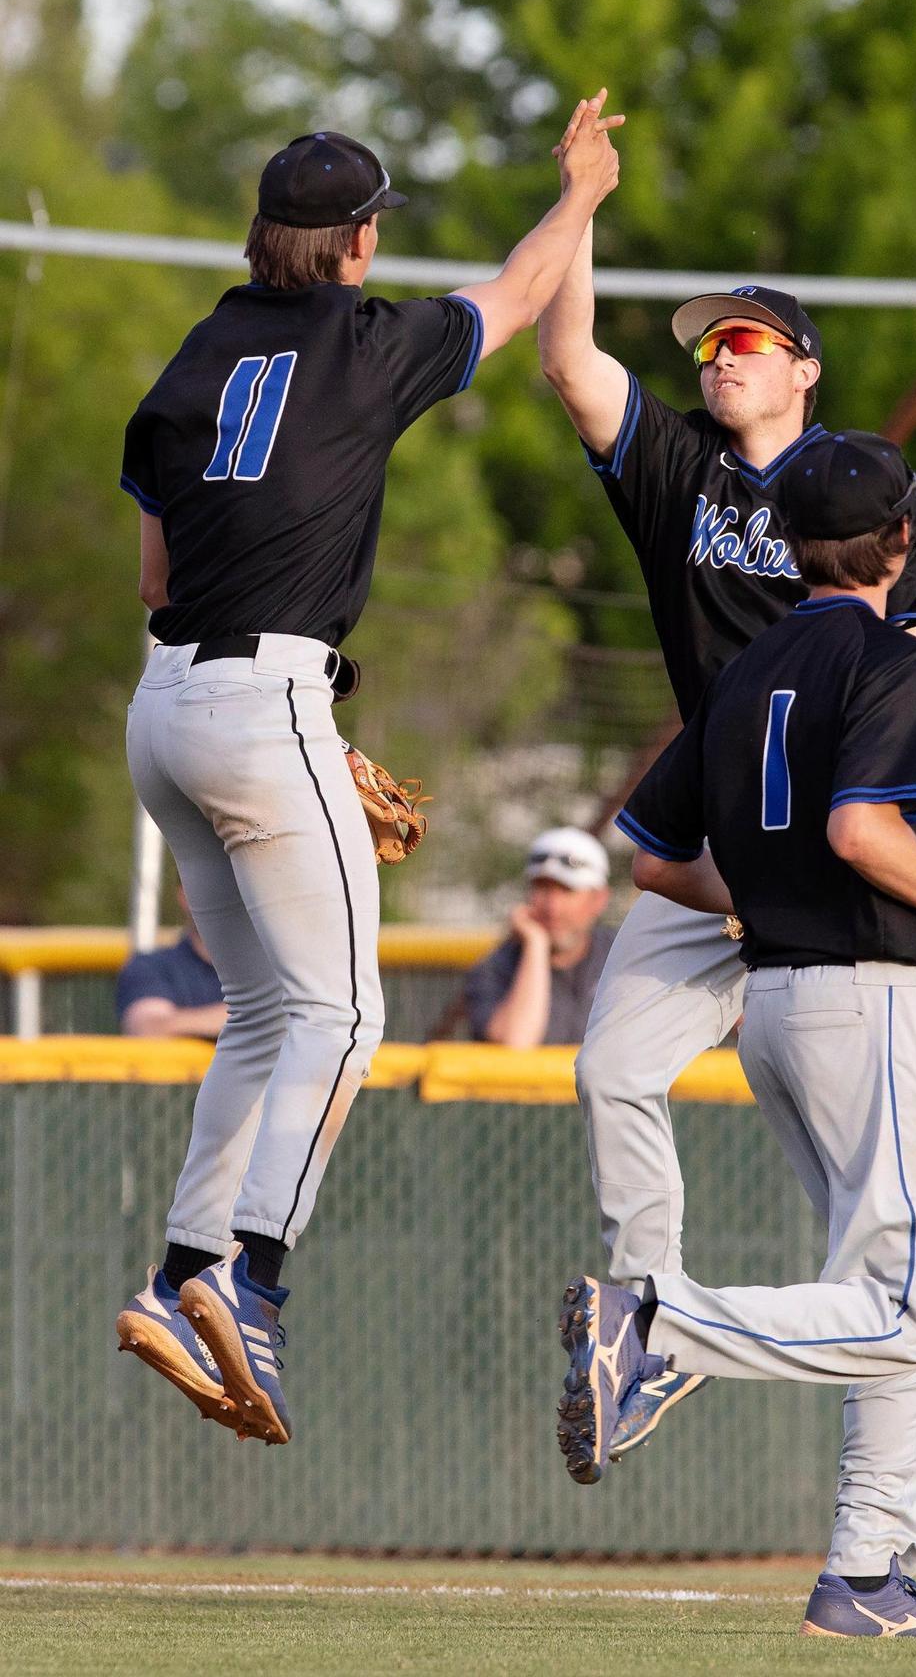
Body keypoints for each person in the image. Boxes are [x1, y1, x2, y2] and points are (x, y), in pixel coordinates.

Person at [114, 93, 625, 1445]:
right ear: (352, 249)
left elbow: (159, 577)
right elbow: (519, 296)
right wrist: (580, 193)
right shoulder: (365, 342)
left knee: (267, 1017)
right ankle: (256, 1292)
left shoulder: (195, 355)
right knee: (346, 1024)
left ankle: (175, 1281)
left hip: (164, 710)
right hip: (266, 700)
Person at [537, 197, 916, 1449]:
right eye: (711, 344)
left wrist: (886, 834)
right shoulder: (682, 474)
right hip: (727, 843)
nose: (720, 356)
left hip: (849, 825)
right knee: (610, 1066)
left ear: (803, 368)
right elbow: (568, 361)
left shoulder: (877, 497)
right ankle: (652, 1324)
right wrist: (581, 206)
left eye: (745, 341)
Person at [557, 433, 916, 1638]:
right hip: (861, 1000)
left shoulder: (745, 666)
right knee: (913, 1314)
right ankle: (659, 1327)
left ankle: (868, 1570)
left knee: (908, 1294)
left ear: (785, 545)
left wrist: (760, 896)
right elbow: (862, 833)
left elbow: (655, 856)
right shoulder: (885, 659)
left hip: (777, 1003)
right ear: (897, 543)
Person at [465, 828, 614, 1047]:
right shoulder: (496, 968)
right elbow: (514, 1047)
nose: (552, 908)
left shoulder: (624, 957)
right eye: (542, 889)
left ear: (599, 899)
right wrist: (535, 946)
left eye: (567, 890)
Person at [117, 887, 226, 1039]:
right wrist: (246, 1017)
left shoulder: (268, 965)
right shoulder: (153, 966)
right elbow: (147, 1027)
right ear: (184, 894)